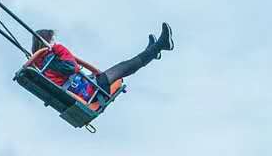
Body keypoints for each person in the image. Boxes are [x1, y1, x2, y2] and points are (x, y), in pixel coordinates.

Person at [26, 24, 174, 106]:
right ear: (46, 41)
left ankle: (152, 51)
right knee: (125, 67)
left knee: (124, 67)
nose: (54, 43)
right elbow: (71, 68)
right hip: (91, 91)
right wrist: (60, 49)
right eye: (52, 40)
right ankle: (160, 46)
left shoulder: (39, 65)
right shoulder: (52, 56)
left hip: (82, 89)